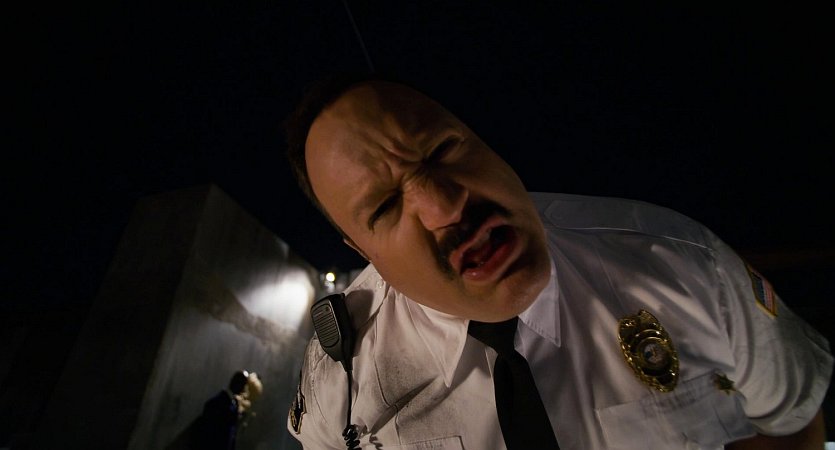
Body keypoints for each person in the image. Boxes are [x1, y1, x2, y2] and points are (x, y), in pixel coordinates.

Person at [283, 74, 832, 449]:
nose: (447, 206)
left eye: (443, 151)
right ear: (364, 254)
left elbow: (793, 421)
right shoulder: (342, 379)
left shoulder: (682, 266)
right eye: (385, 207)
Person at [195, 370, 256, 450]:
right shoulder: (216, 404)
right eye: (244, 384)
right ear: (238, 384)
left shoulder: (234, 403)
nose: (245, 389)